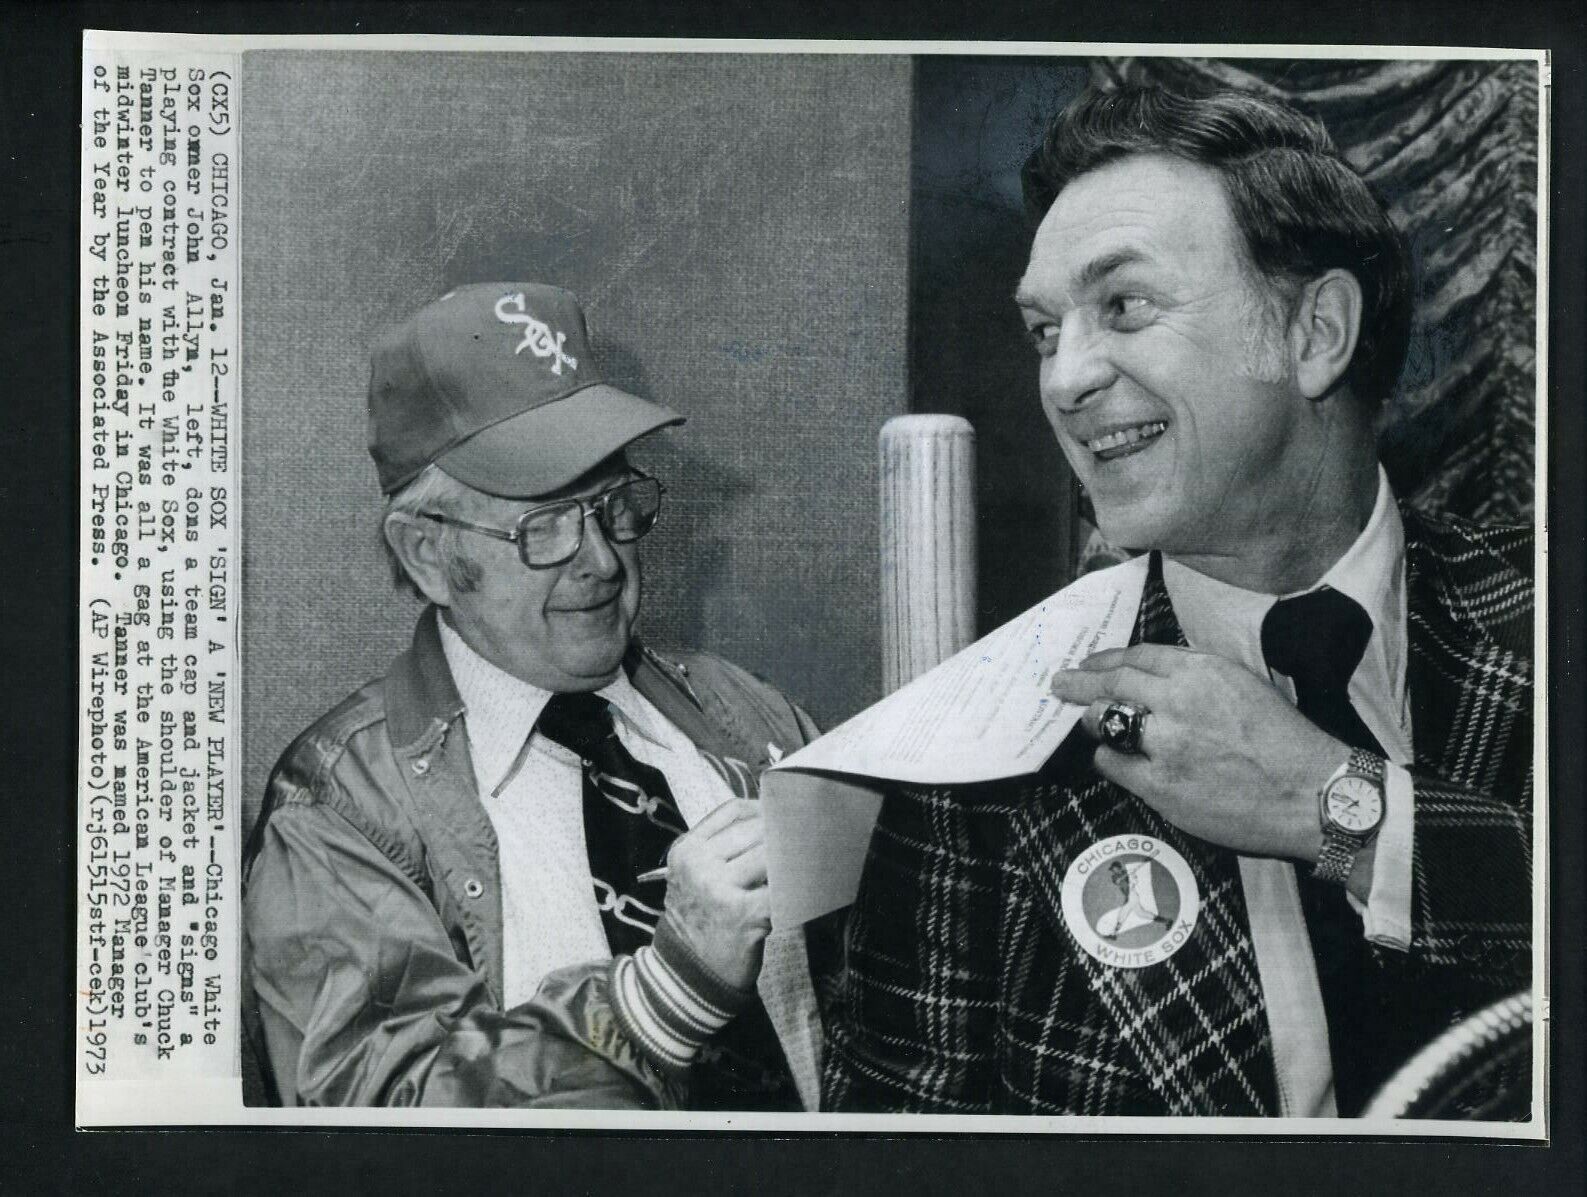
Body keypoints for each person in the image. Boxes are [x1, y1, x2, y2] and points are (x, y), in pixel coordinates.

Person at [823, 87, 1533, 1117]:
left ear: (1316, 332)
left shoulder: (1544, 623)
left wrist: (1338, 812)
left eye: (1124, 306)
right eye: (1042, 331)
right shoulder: (980, 762)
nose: (1064, 380)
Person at [243, 283, 826, 1109]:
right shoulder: (340, 806)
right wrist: (667, 991)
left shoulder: (748, 712)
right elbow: (378, 1117)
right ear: (427, 557)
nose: (599, 560)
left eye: (614, 508)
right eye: (543, 526)